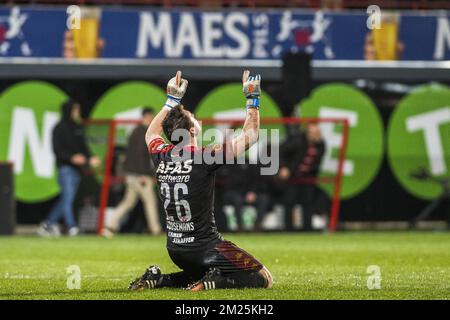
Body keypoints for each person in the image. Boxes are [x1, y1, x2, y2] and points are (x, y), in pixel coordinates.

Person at [128, 70, 273, 291]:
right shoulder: (204, 157)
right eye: (194, 116)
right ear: (192, 129)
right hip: (206, 248)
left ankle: (160, 280)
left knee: (197, 271)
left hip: (176, 248)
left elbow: (151, 134)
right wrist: (252, 99)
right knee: (263, 278)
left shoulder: (161, 154)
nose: (199, 119)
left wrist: (172, 100)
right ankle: (215, 282)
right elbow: (251, 135)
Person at [38, 100, 100, 237]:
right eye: (75, 109)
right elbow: (57, 150)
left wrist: (90, 158)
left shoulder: (77, 127)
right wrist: (71, 157)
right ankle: (72, 227)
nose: (78, 112)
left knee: (66, 199)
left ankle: (47, 224)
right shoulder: (59, 128)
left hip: (77, 171)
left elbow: (84, 148)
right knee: (68, 199)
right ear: (69, 111)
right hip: (65, 169)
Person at [101, 108, 162, 237]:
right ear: (147, 116)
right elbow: (140, 156)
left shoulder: (136, 131)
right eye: (151, 116)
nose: (153, 119)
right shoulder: (142, 132)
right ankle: (155, 230)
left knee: (128, 202)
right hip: (139, 175)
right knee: (150, 201)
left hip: (131, 174)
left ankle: (109, 226)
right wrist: (144, 174)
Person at [279, 123, 325, 231]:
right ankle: (288, 229)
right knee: (289, 202)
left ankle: (307, 229)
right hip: (292, 177)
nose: (316, 135)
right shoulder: (297, 141)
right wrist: (284, 167)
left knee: (308, 203)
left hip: (307, 178)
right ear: (308, 133)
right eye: (313, 133)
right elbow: (281, 151)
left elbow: (317, 161)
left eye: (317, 133)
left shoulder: (321, 144)